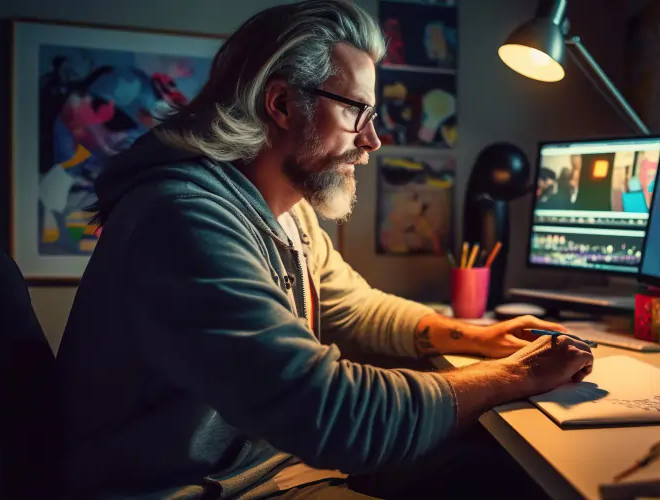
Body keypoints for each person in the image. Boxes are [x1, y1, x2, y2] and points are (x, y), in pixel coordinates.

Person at [51, 2, 594, 499]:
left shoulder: (289, 211)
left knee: (493, 472)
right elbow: (333, 413)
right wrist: (515, 376)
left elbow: (354, 307)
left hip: (277, 469)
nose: (372, 140)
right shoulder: (183, 220)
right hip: (206, 491)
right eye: (358, 111)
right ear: (282, 104)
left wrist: (473, 336)